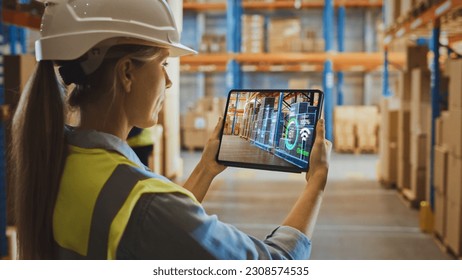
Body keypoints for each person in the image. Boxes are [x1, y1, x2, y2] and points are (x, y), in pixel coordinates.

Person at [11, 0, 332, 260]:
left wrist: (206, 169)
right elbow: (273, 265)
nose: (169, 81)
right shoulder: (143, 201)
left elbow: (148, 231)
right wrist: (316, 183)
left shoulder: (57, 156)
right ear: (126, 73)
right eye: (163, 63)